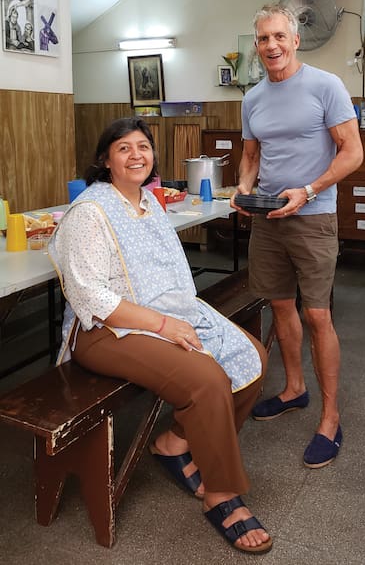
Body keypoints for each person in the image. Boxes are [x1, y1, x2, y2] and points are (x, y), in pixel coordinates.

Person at [48, 116, 272, 555]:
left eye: (143, 147)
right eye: (124, 148)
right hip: (103, 331)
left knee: (253, 359)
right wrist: (165, 325)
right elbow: (90, 294)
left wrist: (177, 314)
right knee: (206, 380)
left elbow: (169, 275)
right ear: (105, 160)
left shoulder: (149, 204)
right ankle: (221, 494)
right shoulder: (90, 212)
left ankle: (175, 443)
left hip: (159, 315)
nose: (136, 155)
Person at [231, 4, 364, 469]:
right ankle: (294, 389)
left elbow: (353, 153)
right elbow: (251, 156)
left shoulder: (326, 85)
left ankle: (330, 417)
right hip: (268, 218)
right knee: (280, 307)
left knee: (317, 315)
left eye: (278, 37)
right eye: (263, 39)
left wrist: (307, 191)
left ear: (295, 40)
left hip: (313, 216)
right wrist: (244, 189)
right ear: (257, 46)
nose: (271, 46)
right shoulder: (252, 99)